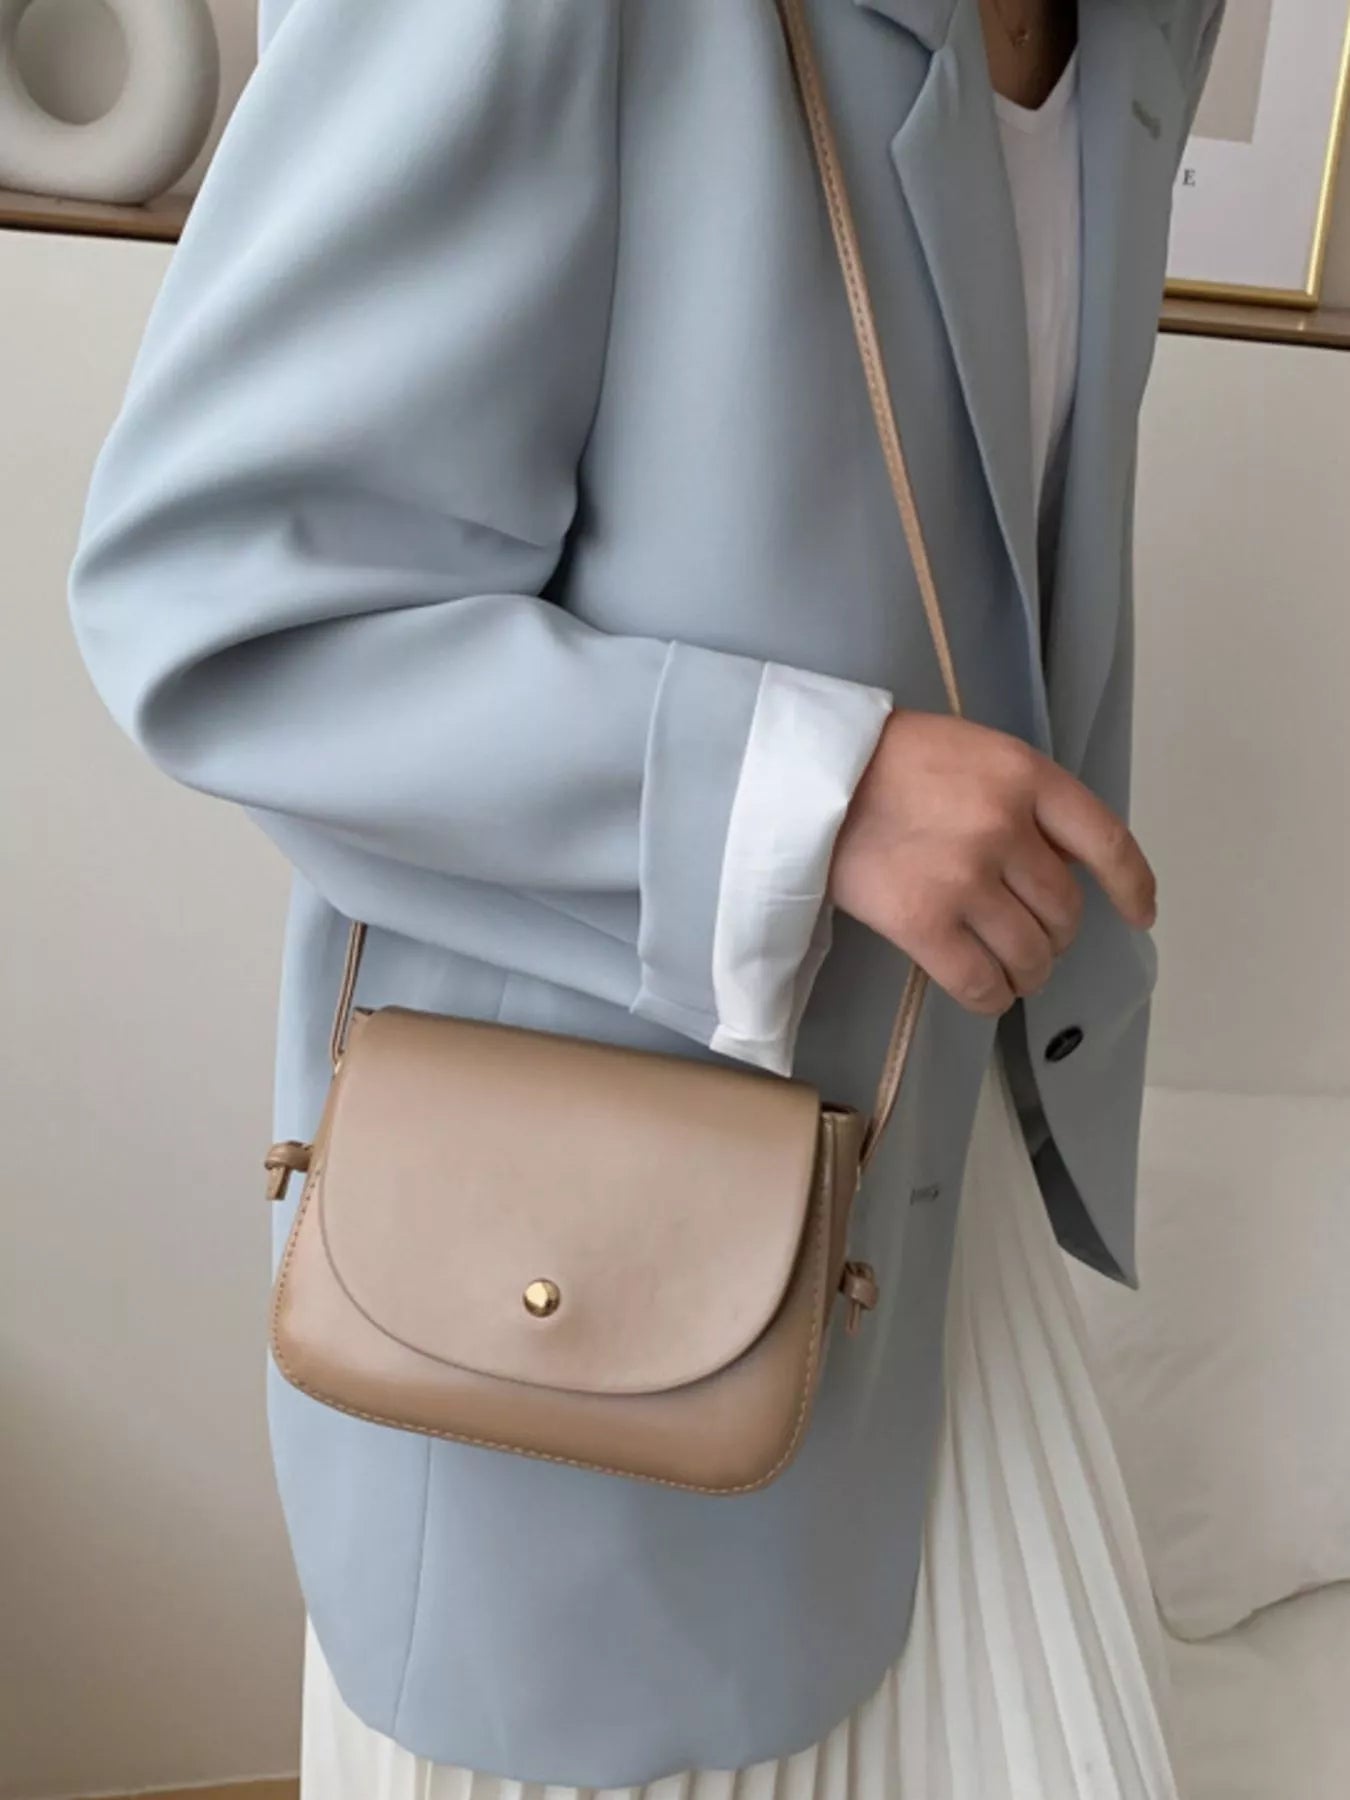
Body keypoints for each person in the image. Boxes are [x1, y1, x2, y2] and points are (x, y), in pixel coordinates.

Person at [67, 0, 1224, 1794]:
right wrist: (816, 797)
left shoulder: (1147, 27)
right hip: (585, 1308)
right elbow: (223, 608)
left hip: (938, 1208)